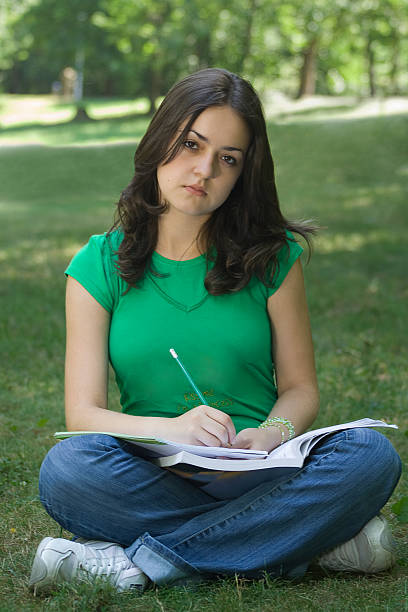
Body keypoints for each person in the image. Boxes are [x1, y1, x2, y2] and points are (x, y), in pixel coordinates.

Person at [29, 68, 401, 593]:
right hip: (155, 474)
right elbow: (83, 415)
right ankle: (307, 541)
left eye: (227, 159)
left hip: (266, 469)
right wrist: (174, 430)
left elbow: (300, 390)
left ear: (242, 174)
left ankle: (137, 565)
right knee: (67, 470)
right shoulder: (98, 265)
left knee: (369, 454)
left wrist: (273, 435)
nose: (203, 170)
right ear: (161, 141)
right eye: (190, 144)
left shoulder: (273, 259)